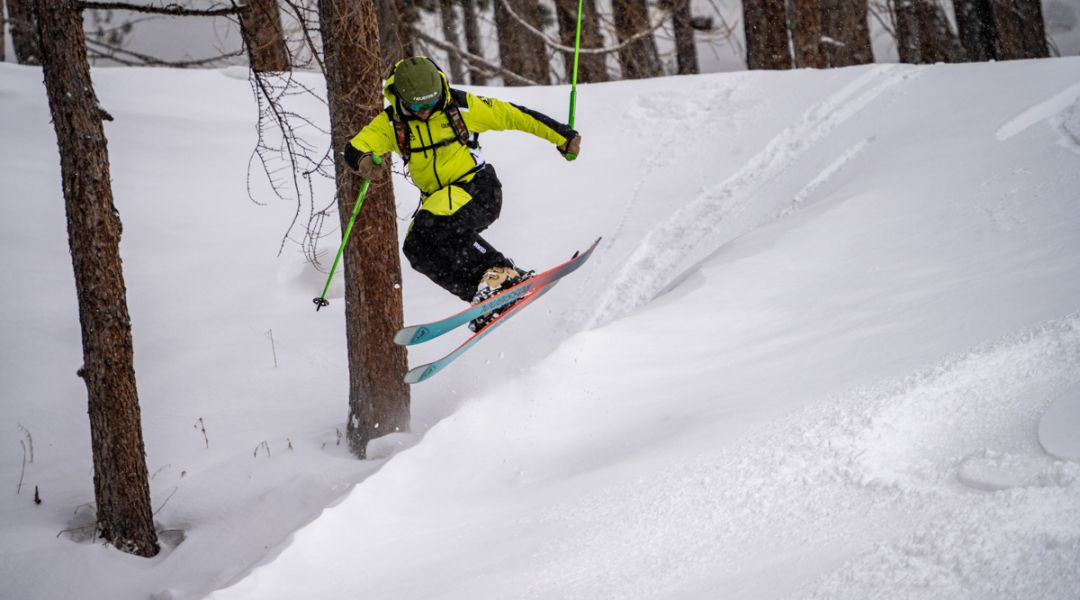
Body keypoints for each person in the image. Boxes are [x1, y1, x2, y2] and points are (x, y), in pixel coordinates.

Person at [343, 56, 581, 330]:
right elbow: (356, 146)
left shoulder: (462, 107)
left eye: (431, 103)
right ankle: (484, 295)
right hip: (442, 201)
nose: (424, 111)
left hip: (478, 190)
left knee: (433, 223)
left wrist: (563, 136)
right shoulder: (391, 124)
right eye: (417, 106)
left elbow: (515, 115)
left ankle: (502, 272)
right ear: (401, 99)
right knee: (417, 249)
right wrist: (363, 160)